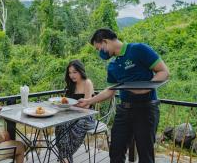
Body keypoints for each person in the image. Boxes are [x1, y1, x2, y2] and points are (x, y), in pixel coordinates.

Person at [77, 28, 169, 163]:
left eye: (99, 48)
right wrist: (89, 101)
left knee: (145, 154)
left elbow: (164, 71)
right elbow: (110, 91)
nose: (99, 53)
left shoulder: (138, 49)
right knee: (115, 151)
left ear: (105, 41)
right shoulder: (112, 66)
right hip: (124, 111)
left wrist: (145, 88)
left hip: (146, 109)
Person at [55, 59, 95, 163]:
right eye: (69, 73)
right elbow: (66, 103)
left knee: (67, 125)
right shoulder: (71, 85)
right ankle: (66, 159)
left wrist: (72, 105)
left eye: (74, 72)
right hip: (71, 116)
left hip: (86, 118)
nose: (72, 75)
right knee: (60, 124)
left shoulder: (87, 83)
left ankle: (64, 158)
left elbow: (87, 106)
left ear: (81, 71)